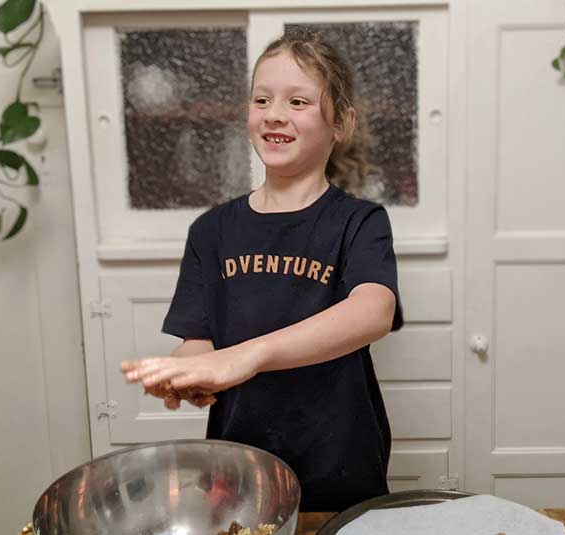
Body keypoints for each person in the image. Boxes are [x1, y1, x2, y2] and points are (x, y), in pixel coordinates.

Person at [121, 27, 404, 512]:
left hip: (340, 460)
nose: (274, 113)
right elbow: (199, 341)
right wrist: (188, 374)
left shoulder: (359, 222)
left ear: (341, 123)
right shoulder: (211, 230)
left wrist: (249, 356)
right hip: (240, 464)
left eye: (298, 102)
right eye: (262, 99)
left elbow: (374, 311)